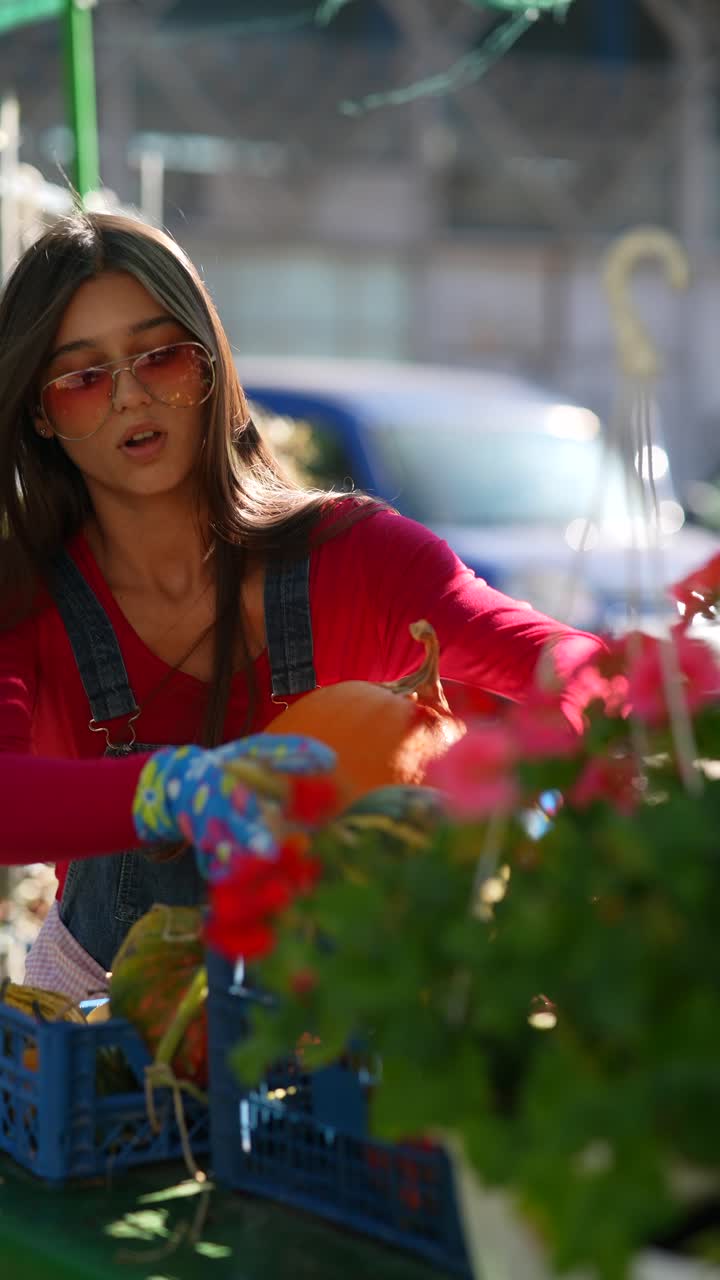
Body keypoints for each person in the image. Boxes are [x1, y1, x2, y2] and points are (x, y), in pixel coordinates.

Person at [0, 210, 603, 998]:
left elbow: (565, 663)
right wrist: (167, 791)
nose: (130, 397)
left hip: (349, 1026)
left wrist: (594, 745)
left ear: (208, 362)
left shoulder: (357, 556)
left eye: (161, 357)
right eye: (84, 377)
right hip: (117, 1034)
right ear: (40, 412)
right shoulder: (23, 598)